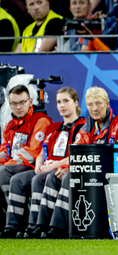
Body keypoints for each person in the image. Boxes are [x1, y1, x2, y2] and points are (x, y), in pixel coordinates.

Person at [4, 87, 85, 239]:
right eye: (59, 102)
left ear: (75, 103)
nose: (62, 105)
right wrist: (40, 164)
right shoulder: (54, 127)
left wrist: (49, 167)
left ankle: (38, 225)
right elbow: (42, 151)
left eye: (66, 101)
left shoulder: (82, 126)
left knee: (40, 179)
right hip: (45, 167)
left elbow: (77, 155)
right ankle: (13, 226)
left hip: (61, 169)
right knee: (17, 180)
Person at [38, 86, 114, 238]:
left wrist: (69, 170)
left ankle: (58, 228)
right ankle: (41, 226)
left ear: (107, 104)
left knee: (68, 177)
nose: (94, 108)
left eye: (98, 103)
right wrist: (66, 167)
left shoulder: (114, 124)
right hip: (87, 171)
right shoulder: (87, 127)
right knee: (54, 176)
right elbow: (77, 152)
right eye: (90, 104)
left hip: (105, 173)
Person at [0, 85, 53, 238]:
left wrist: (6, 165)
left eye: (22, 102)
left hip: (33, 167)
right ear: (9, 104)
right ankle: (11, 219)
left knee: (3, 172)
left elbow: (33, 151)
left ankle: (18, 221)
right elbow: (4, 150)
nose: (18, 107)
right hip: (13, 167)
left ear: (30, 101)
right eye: (14, 103)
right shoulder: (9, 125)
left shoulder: (40, 120)